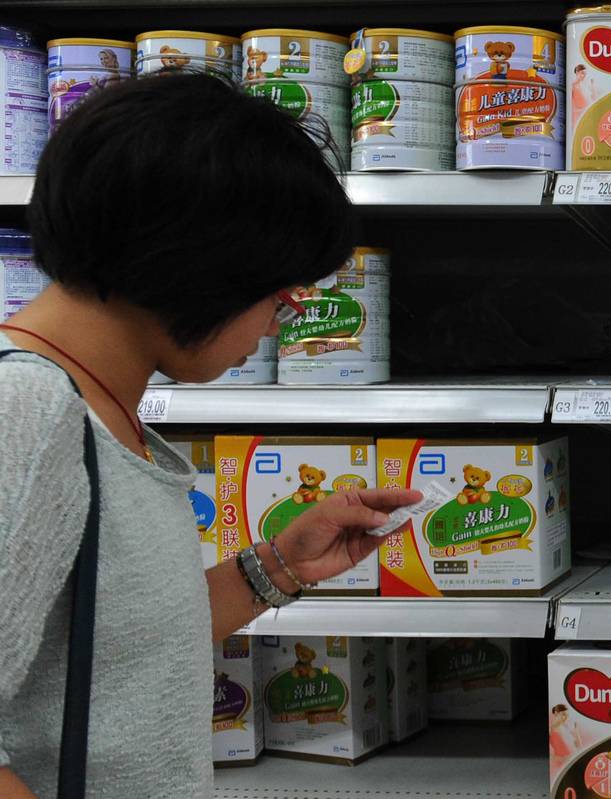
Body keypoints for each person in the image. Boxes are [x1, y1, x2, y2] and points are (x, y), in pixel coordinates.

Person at [0, 74, 421, 798]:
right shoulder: (27, 418)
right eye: (279, 293)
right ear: (198, 264)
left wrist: (277, 566)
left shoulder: (100, 409)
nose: (276, 321)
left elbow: (115, 649)